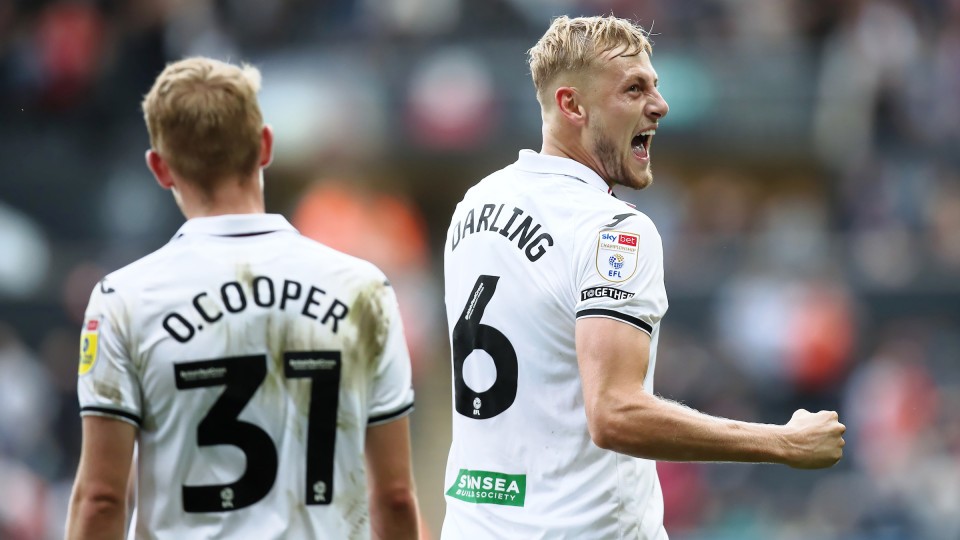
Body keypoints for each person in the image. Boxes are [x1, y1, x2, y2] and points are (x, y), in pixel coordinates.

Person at [441, 15, 845, 539]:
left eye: (654, 86)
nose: (660, 104)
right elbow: (614, 413)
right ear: (572, 105)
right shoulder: (615, 230)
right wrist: (782, 443)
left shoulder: (475, 205)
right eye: (634, 89)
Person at [66, 57, 420, 540]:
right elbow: (395, 497)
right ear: (265, 146)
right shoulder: (364, 290)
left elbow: (100, 499)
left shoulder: (123, 299)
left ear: (160, 168)